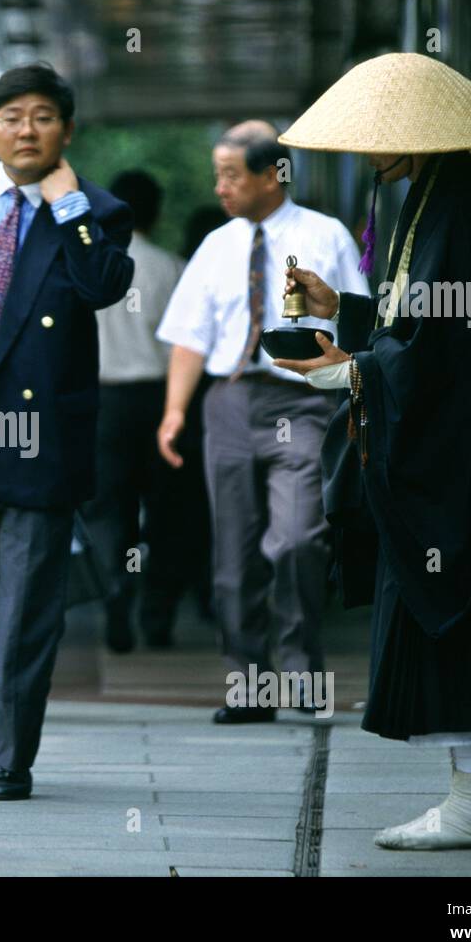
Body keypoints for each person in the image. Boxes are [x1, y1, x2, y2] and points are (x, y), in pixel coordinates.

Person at [275, 52, 471, 849]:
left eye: (376, 139)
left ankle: (469, 806)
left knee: (460, 606)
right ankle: (465, 801)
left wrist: (347, 370)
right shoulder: (436, 197)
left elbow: (443, 350)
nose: (364, 153)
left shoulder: (457, 208)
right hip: (451, 440)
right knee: (446, 607)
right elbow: (413, 322)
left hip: (458, 450)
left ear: (415, 138)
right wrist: (344, 308)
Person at [0, 63, 134, 801]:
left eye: (42, 116)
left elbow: (103, 286)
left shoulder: (96, 210)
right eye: (10, 116)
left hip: (39, 436)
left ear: (66, 131)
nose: (26, 129)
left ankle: (9, 754)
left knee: (24, 609)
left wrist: (68, 204)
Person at [156, 121, 367, 722]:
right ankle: (248, 683)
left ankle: (300, 672)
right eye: (217, 174)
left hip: (302, 401)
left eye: (231, 174)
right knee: (233, 551)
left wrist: (354, 400)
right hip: (228, 402)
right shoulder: (217, 246)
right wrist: (174, 412)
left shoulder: (325, 236)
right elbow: (190, 338)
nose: (220, 187)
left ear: (273, 174)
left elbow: (357, 320)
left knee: (298, 537)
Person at [83, 169, 196, 652]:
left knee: (109, 509)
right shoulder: (170, 268)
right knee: (168, 512)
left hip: (101, 402)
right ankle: (157, 613)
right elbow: (185, 346)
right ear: (157, 212)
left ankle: (114, 593)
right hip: (159, 401)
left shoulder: (92, 264)